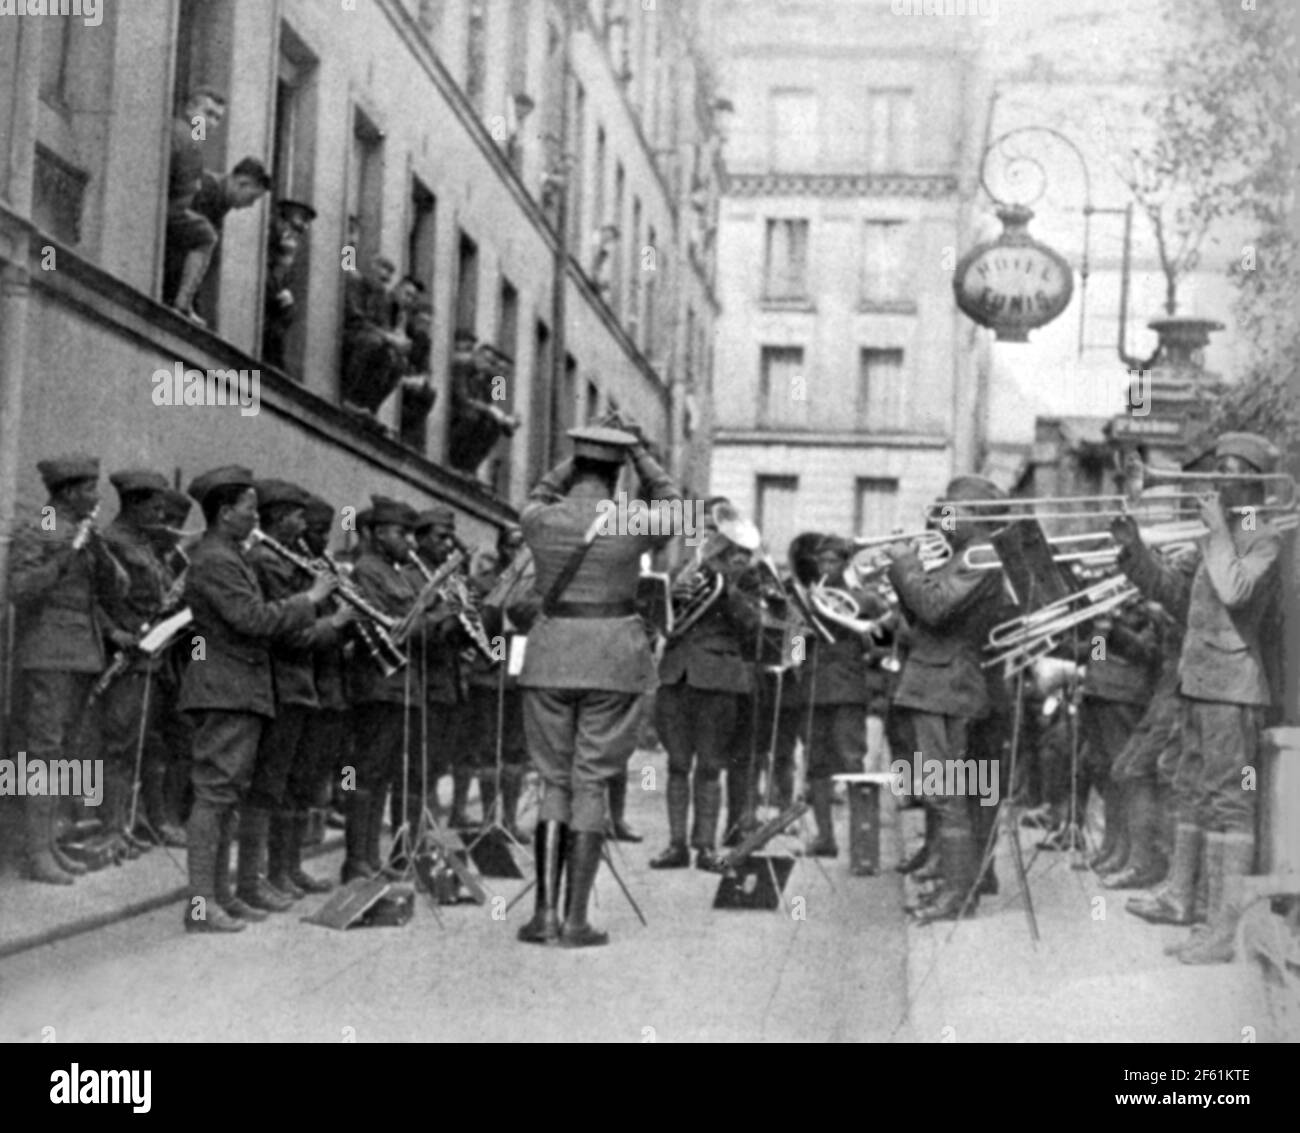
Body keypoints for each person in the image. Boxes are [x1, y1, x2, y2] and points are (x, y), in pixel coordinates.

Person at [1112, 432, 1284, 964]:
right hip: (1196, 680)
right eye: (1218, 467)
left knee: (1230, 802)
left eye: (1231, 470)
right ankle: (1181, 898)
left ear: (1254, 481)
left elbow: (1236, 590)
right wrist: (1134, 552)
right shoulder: (1224, 532)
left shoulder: (1261, 531)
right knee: (1190, 790)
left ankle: (1222, 929)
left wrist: (1215, 532)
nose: (1216, 478)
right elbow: (1173, 594)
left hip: (1233, 687)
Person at [516, 424, 681, 947]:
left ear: (575, 469)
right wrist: (638, 452)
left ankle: (542, 914)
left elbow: (541, 491)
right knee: (591, 781)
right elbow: (676, 506)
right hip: (612, 659)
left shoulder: (540, 519)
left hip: (550, 656)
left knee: (553, 781)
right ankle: (575, 921)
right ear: (617, 475)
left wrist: (579, 454)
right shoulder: (632, 519)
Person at [178, 466, 338, 933]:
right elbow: (252, 619)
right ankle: (202, 904)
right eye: (249, 507)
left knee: (227, 795)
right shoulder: (216, 559)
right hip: (225, 688)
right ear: (225, 513)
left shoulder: (228, 554)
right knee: (214, 795)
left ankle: (221, 895)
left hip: (238, 688)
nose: (255, 515)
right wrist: (311, 598)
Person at [883, 477, 1009, 924]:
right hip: (937, 682)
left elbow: (934, 607)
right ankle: (958, 887)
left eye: (953, 510)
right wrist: (907, 576)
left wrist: (904, 565)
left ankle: (958, 894)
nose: (943, 516)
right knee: (945, 792)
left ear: (975, 516)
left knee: (945, 792)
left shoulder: (979, 555)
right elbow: (926, 617)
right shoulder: (961, 555)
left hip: (947, 685)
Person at [8, 456, 121, 884]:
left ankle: (51, 844)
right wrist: (67, 555)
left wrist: (97, 551)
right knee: (42, 754)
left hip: (80, 653)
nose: (96, 498)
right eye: (90, 489)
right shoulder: (45, 523)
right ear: (70, 491)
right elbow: (21, 589)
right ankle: (35, 852)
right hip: (49, 652)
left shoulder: (82, 531)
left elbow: (111, 591)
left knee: (66, 754)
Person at [243, 480, 350, 910]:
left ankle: (286, 869)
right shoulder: (267, 562)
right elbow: (288, 634)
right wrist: (337, 621)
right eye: (297, 516)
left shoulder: (293, 561)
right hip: (282, 685)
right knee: (270, 786)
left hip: (302, 687)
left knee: (296, 785)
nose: (303, 525)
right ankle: (261, 878)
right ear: (278, 517)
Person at [649, 520, 761, 872]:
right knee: (677, 764)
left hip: (719, 679)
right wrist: (673, 592)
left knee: (711, 766)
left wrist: (729, 589)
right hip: (676, 674)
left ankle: (706, 847)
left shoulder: (748, 581)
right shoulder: (685, 571)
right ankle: (677, 844)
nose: (712, 541)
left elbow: (755, 626)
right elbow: (661, 613)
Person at [343, 497, 423, 879]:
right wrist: (429, 613)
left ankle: (371, 857)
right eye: (401, 532)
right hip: (376, 684)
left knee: (385, 773)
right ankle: (356, 859)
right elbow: (390, 628)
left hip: (401, 686)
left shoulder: (400, 573)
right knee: (366, 770)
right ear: (375, 534)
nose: (410, 541)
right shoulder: (366, 571)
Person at [97, 469, 174, 863]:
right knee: (119, 743)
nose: (161, 514)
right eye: (155, 507)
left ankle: (133, 823)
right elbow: (94, 599)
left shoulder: (144, 544)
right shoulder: (110, 542)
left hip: (152, 656)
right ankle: (112, 830)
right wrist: (116, 634)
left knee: (143, 743)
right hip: (126, 658)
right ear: (135, 504)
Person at [795, 535, 887, 857]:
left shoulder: (866, 600)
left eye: (833, 562)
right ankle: (825, 837)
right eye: (822, 563)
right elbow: (797, 648)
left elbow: (884, 641)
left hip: (848, 689)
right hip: (814, 688)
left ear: (845, 565)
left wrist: (866, 642)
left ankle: (862, 845)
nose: (826, 568)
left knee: (852, 761)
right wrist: (801, 624)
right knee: (817, 765)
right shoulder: (807, 600)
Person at [162, 157, 271, 316]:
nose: (250, 205)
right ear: (242, 183)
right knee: (206, 236)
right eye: (252, 198)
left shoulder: (219, 199)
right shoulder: (207, 188)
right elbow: (181, 248)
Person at [164, 88, 226, 323]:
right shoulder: (182, 134)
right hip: (167, 207)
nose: (212, 123)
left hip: (174, 207)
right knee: (205, 235)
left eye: (218, 118)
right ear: (190, 109)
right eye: (208, 113)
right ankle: (182, 303)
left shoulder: (193, 139)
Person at [263, 200, 318, 369]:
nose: (305, 227)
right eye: (304, 219)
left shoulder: (348, 249)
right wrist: (349, 267)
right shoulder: (281, 231)